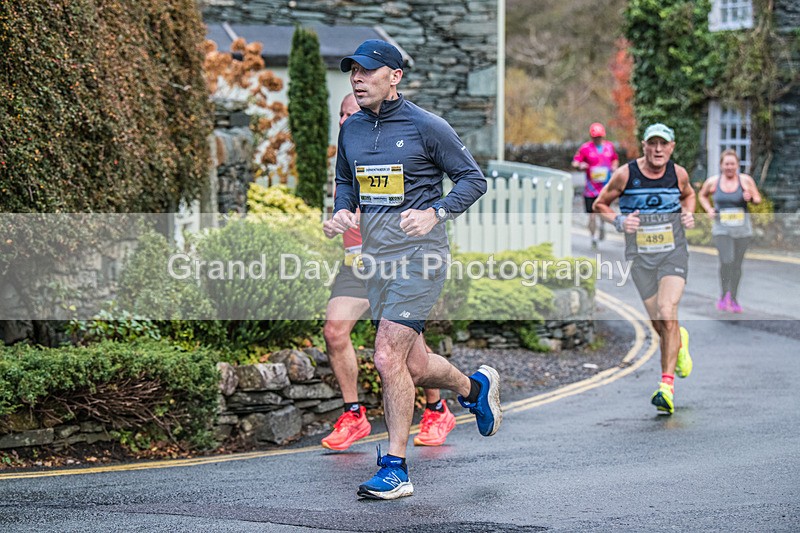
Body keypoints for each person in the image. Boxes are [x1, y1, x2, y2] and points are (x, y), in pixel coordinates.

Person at [328, 39, 502, 499]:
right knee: (415, 365)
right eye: (353, 72)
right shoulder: (352, 130)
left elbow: (473, 179)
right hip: (377, 260)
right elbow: (346, 181)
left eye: (367, 71)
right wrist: (344, 211)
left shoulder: (428, 126)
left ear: (394, 76)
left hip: (422, 259)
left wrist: (436, 213)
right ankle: (473, 388)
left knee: (386, 356)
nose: (357, 79)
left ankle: (395, 468)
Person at [320, 93, 455, 451]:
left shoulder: (401, 141)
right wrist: (335, 220)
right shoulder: (349, 148)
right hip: (357, 263)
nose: (345, 120)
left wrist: (431, 214)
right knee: (335, 332)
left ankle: (437, 409)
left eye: (351, 112)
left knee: (408, 354)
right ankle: (354, 414)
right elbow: (344, 202)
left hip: (400, 260)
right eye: (341, 114)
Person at [593, 123, 695, 415]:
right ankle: (680, 341)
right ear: (645, 146)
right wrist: (620, 222)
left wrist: (688, 212)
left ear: (672, 147)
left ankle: (666, 387)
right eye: (653, 144)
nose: (658, 150)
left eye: (664, 144)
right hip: (640, 258)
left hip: (673, 253)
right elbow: (601, 204)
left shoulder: (679, 174)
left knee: (667, 310)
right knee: (658, 324)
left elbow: (689, 195)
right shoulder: (626, 174)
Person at [697, 149, 762, 313]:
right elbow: (702, 195)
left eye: (732, 164)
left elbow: (757, 199)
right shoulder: (713, 182)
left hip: (742, 230)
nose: (729, 167)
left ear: (737, 165)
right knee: (727, 260)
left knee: (737, 264)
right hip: (721, 229)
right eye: (726, 164)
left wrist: (750, 198)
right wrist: (709, 209)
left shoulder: (745, 181)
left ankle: (733, 298)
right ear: (721, 165)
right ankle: (723, 294)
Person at [572, 122, 620, 249]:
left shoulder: (609, 147)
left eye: (600, 137)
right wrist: (580, 166)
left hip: (605, 188)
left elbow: (615, 159)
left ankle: (603, 226)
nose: (598, 139)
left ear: (603, 136)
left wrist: (615, 166)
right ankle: (593, 237)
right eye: (595, 137)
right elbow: (576, 162)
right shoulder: (585, 148)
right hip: (590, 189)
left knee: (603, 212)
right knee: (592, 215)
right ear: (591, 137)